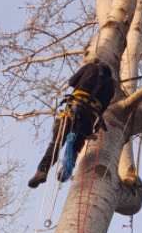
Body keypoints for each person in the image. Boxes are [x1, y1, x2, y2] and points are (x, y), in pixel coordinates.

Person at [28, 59, 116, 188]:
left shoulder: (91, 67)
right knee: (75, 146)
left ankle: (42, 171)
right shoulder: (111, 85)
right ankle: (66, 170)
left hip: (73, 110)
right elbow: (103, 108)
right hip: (89, 118)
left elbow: (71, 82)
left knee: (56, 143)